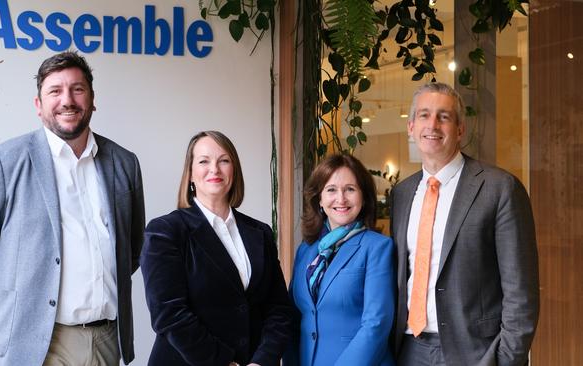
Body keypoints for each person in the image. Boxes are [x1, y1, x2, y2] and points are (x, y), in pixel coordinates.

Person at [0, 51, 145, 366]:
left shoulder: (124, 163)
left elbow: (131, 250)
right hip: (36, 346)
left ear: (92, 99)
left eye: (78, 89)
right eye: (55, 91)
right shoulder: (3, 163)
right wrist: (7, 315)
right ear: (39, 106)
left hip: (107, 339)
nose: (67, 100)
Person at [391, 82, 539, 366]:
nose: (432, 124)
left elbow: (521, 292)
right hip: (409, 350)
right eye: (423, 115)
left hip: (476, 353)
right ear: (410, 127)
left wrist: (505, 359)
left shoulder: (500, 188)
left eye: (443, 117)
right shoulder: (402, 193)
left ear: (460, 129)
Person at [141, 130, 293, 366]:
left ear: (234, 170)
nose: (215, 169)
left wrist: (262, 361)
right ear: (190, 174)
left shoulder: (260, 233)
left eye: (224, 160)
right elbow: (169, 315)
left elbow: (279, 309)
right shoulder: (165, 231)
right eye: (204, 161)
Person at [285, 153, 395, 366]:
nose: (341, 199)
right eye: (331, 190)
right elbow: (294, 317)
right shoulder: (306, 251)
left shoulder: (377, 247)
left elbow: (376, 324)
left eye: (350, 189)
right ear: (320, 198)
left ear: (363, 198)